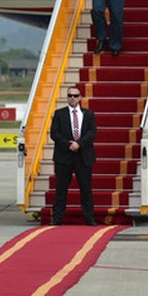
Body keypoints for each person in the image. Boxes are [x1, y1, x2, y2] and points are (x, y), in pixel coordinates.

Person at [49, 85, 97, 225]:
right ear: (67, 97)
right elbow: (54, 133)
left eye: (75, 96)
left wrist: (79, 144)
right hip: (64, 155)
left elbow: (92, 132)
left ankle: (89, 218)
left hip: (83, 156)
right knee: (61, 189)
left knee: (86, 189)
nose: (72, 98)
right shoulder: (59, 114)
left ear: (80, 97)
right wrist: (68, 144)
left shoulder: (88, 114)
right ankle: (57, 218)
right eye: (70, 95)